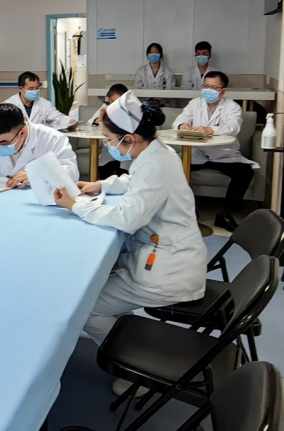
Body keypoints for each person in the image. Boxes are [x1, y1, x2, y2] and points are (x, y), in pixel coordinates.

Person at [53, 92, 207, 397]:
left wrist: (75, 206)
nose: (108, 144)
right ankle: (134, 341)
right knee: (101, 287)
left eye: (110, 139)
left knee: (84, 308)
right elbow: (134, 182)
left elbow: (127, 217)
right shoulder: (157, 153)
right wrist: (100, 184)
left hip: (168, 271)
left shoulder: (154, 165)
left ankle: (139, 372)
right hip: (166, 255)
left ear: (130, 138)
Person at [172, 71, 257, 231]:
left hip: (223, 155)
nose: (208, 90)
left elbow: (233, 127)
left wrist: (210, 129)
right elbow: (180, 119)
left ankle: (225, 213)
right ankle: (190, 212)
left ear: (223, 91)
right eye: (206, 86)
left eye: (213, 87)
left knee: (245, 172)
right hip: (197, 153)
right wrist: (183, 125)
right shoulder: (195, 103)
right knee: (173, 167)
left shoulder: (232, 107)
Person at [0, 103, 79, 188]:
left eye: (4, 143)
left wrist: (37, 173)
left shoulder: (52, 138)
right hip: (0, 195)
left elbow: (71, 172)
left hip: (37, 198)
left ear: (22, 132)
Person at [4, 71, 76, 130]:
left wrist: (70, 121)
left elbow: (57, 118)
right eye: (31, 89)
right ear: (21, 89)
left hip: (39, 141)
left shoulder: (44, 104)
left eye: (37, 88)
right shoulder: (8, 105)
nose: (35, 91)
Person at [88, 84, 129, 179]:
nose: (114, 104)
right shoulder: (106, 107)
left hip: (126, 152)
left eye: (118, 101)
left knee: (124, 175)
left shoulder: (131, 109)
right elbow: (90, 123)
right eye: (112, 101)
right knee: (104, 174)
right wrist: (101, 117)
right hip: (108, 152)